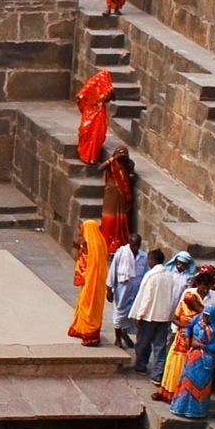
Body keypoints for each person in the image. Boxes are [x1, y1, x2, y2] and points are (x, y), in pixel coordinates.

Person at [168, 268, 215, 419]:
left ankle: (196, 411)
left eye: (207, 316)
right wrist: (189, 339)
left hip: (205, 360)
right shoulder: (198, 317)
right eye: (203, 286)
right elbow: (187, 325)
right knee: (186, 382)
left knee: (201, 386)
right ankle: (180, 407)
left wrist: (204, 347)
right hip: (193, 357)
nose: (205, 318)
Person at [157, 264, 215, 402]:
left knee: (193, 369)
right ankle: (170, 392)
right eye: (203, 286)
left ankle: (186, 397)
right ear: (198, 284)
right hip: (183, 336)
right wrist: (179, 327)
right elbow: (176, 315)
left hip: (202, 339)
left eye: (208, 286)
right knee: (175, 364)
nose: (205, 289)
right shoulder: (188, 295)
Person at [131, 250, 194, 379]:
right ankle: (157, 374)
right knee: (160, 346)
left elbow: (147, 298)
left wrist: (140, 315)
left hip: (149, 316)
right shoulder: (169, 276)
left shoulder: (152, 276)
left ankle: (141, 366)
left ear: (152, 261)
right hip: (164, 316)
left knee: (143, 343)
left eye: (149, 260)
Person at [68, 218, 110, 346]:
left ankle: (90, 336)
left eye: (82, 229)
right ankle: (81, 329)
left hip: (93, 282)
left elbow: (92, 266)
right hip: (92, 282)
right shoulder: (94, 243)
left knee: (89, 308)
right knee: (85, 305)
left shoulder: (95, 246)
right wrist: (79, 248)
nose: (81, 232)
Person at [109, 233, 149, 350]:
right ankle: (117, 338)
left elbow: (147, 272)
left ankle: (125, 334)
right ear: (129, 243)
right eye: (134, 245)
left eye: (138, 245)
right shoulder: (120, 254)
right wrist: (109, 289)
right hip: (122, 290)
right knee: (119, 314)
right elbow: (113, 271)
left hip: (136, 291)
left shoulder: (143, 257)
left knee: (132, 315)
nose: (136, 247)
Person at [76, 69, 114, 164]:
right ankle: (87, 155)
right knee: (87, 130)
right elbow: (81, 96)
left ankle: (92, 156)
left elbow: (111, 96)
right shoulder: (93, 84)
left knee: (97, 132)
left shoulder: (105, 86)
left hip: (97, 111)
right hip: (92, 110)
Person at [101, 146, 135, 254]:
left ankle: (117, 242)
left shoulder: (129, 164)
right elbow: (100, 168)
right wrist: (113, 159)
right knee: (110, 219)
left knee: (119, 220)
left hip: (123, 195)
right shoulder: (112, 162)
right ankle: (107, 242)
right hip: (111, 194)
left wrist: (130, 176)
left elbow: (130, 176)